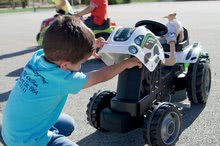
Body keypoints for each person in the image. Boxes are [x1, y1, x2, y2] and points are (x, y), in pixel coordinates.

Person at [1, 16, 142, 146]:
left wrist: (88, 47)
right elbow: (100, 76)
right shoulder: (62, 80)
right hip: (28, 141)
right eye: (82, 62)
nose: (82, 65)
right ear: (65, 66)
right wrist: (126, 63)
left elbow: (67, 46)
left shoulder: (38, 57)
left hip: (12, 130)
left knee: (68, 124)